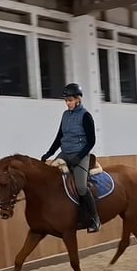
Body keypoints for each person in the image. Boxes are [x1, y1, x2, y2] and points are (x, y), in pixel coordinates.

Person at [40, 82, 101, 233]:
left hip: (81, 154)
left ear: (78, 99)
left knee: (81, 187)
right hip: (65, 153)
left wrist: (79, 157)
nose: (68, 103)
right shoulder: (65, 115)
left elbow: (92, 141)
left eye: (70, 100)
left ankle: (95, 219)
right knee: (50, 178)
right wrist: (49, 153)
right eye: (66, 100)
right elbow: (60, 136)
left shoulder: (86, 116)